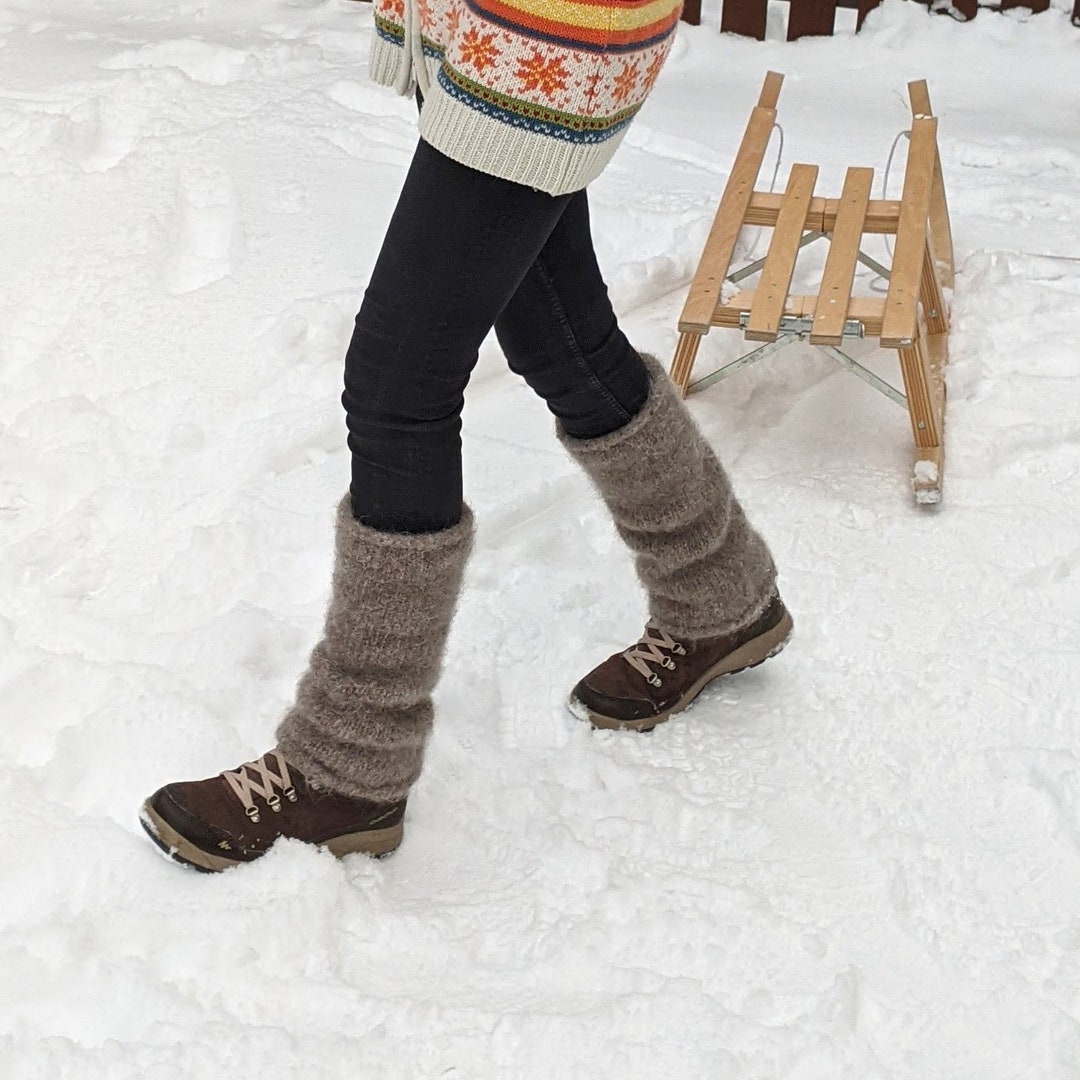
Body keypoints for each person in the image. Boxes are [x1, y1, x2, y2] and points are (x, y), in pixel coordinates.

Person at [139, 0, 792, 872]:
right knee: (559, 333)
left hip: (546, 33)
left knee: (398, 379)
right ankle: (722, 596)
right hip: (489, 27)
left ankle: (352, 764)